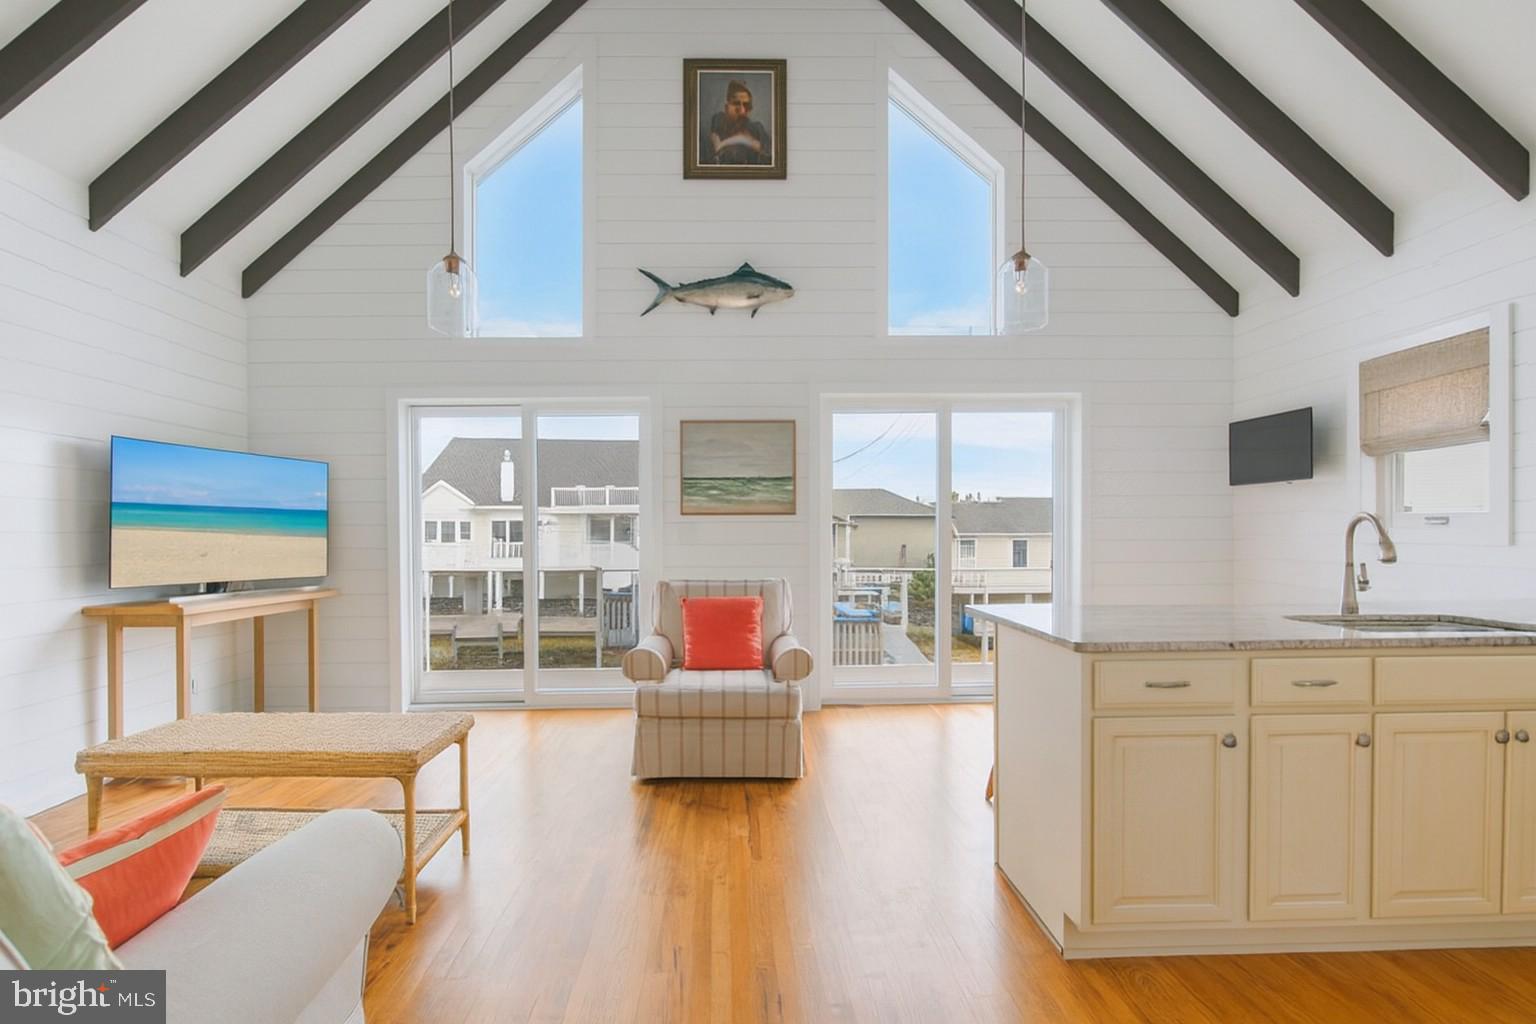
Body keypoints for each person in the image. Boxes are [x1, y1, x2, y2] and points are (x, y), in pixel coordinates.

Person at [705, 79, 771, 165]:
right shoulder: (718, 122)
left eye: (746, 105)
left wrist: (746, 141)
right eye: (736, 104)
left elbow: (772, 156)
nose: (742, 111)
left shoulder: (756, 129)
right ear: (726, 107)